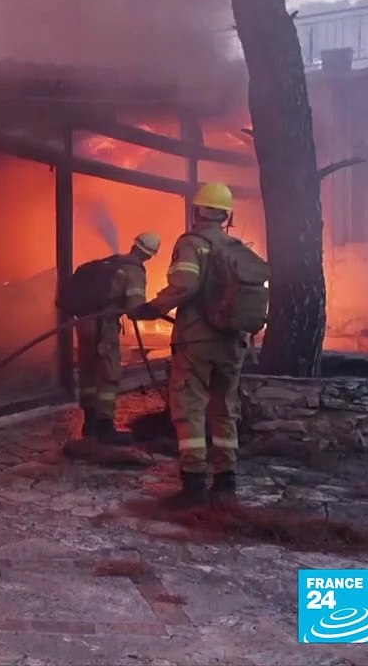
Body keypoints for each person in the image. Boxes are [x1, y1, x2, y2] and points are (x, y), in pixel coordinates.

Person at [131, 182, 266, 509]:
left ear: (197, 211)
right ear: (226, 215)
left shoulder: (192, 243)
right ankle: (225, 481)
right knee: (224, 409)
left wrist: (151, 308)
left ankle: (193, 486)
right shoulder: (236, 247)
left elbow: (184, 285)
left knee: (189, 408)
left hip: (197, 340)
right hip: (232, 342)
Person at [72, 232, 160, 445]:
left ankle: (89, 423)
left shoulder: (112, 262)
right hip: (104, 326)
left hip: (84, 323)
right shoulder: (133, 271)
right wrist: (155, 310)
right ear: (149, 255)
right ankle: (104, 426)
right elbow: (135, 309)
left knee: (89, 371)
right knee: (110, 373)